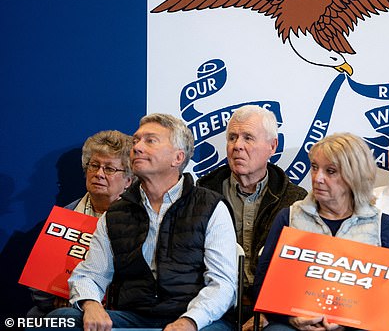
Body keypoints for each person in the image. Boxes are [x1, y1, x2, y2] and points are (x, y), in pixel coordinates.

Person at [47, 113, 237, 331]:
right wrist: (90, 304)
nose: (137, 147)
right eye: (136, 140)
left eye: (150, 141)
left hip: (197, 319)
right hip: (133, 318)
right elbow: (90, 275)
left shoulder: (210, 207)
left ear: (177, 158)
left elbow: (222, 284)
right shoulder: (116, 214)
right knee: (61, 319)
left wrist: (190, 321)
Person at [249, 132, 389, 331]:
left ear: (354, 176)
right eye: (314, 167)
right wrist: (291, 318)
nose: (317, 178)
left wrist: (348, 323)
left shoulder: (382, 225)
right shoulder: (289, 217)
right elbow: (263, 285)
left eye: (330, 171)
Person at [197, 106, 307, 303]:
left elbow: (299, 270)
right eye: (232, 138)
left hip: (273, 306)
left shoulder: (295, 200)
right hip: (215, 304)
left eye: (248, 137)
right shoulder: (203, 194)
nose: (237, 146)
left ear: (272, 146)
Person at [27, 130, 134, 318]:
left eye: (109, 169)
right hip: (64, 306)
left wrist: (86, 300)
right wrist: (65, 298)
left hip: (115, 309)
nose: (99, 174)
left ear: (128, 180)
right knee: (38, 316)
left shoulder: (138, 220)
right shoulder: (64, 216)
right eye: (94, 165)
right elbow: (38, 288)